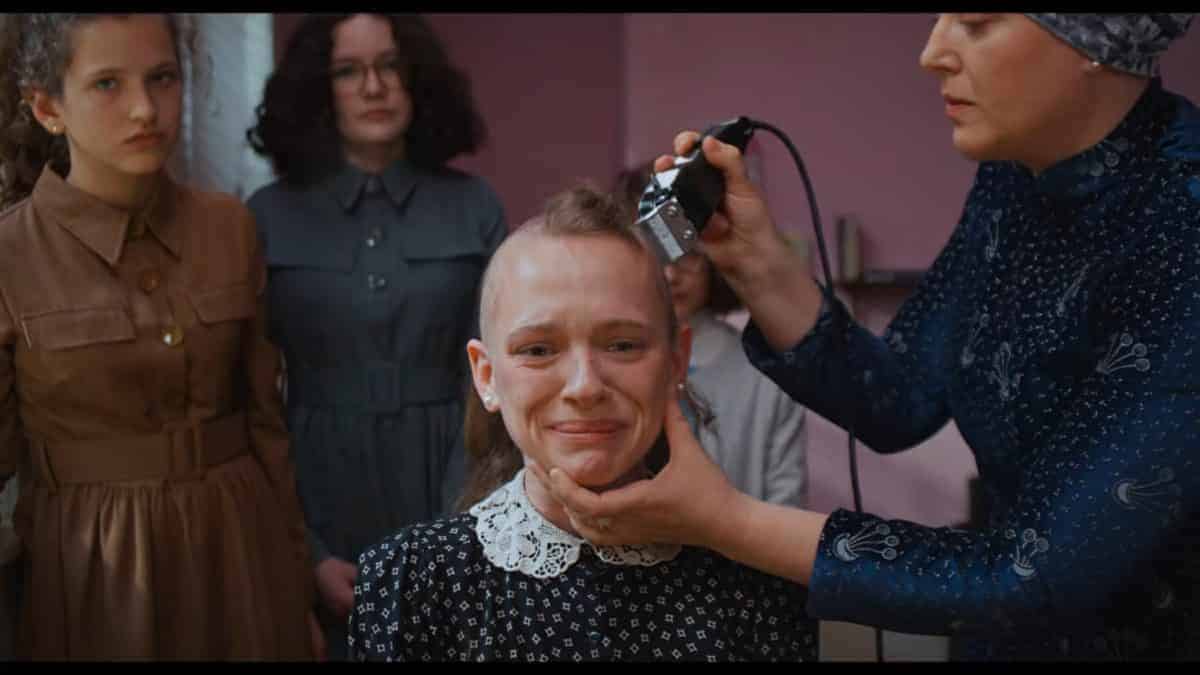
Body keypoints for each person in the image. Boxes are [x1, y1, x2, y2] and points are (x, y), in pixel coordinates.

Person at [535, 13, 1200, 660]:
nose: (932, 51)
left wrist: (723, 522)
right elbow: (899, 396)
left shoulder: (1182, 225)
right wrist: (756, 263)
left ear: (1093, 39)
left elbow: (1035, 578)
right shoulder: (1015, 174)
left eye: (976, 20)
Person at [347, 185, 818, 662]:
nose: (585, 386)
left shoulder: (758, 588)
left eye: (621, 345)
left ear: (676, 362)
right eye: (538, 350)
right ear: (487, 376)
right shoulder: (413, 582)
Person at [0, 14, 317, 659]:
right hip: (92, 574)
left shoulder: (230, 228)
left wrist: (295, 587)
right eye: (108, 84)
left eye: (163, 78)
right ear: (47, 107)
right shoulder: (11, 254)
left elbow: (268, 430)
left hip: (241, 554)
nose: (146, 108)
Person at [245, 13, 506, 660]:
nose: (374, 86)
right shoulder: (265, 216)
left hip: (453, 470)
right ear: (317, 87)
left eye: (390, 65)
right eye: (347, 70)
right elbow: (247, 404)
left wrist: (455, 534)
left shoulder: (475, 207)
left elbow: (498, 389)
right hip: (317, 479)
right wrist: (305, 553)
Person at [615, 163, 808, 507]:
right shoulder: (598, 366)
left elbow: (787, 507)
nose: (671, 275)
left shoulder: (765, 376)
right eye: (657, 254)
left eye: (688, 256)